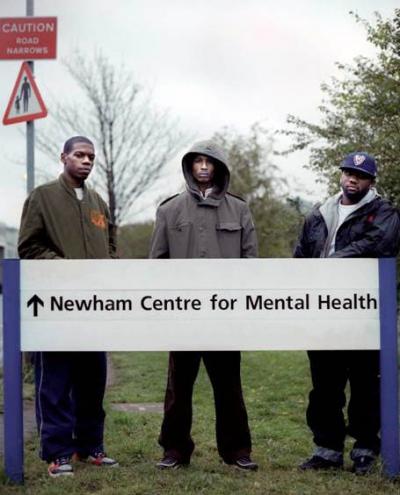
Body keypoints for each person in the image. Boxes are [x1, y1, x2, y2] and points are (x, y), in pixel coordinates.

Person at [150, 140, 258, 471]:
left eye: (209, 162)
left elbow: (251, 264)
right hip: (182, 318)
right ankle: (174, 450)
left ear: (219, 168)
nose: (203, 167)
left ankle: (237, 451)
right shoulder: (169, 210)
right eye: (197, 161)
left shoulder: (239, 209)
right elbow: (157, 264)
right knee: (178, 389)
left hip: (225, 318)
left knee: (229, 387)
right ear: (189, 167)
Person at [18, 136, 118, 478]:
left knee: (93, 381)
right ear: (64, 158)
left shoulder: (98, 202)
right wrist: (66, 269)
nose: (86, 161)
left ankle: (90, 447)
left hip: (94, 309)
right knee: (56, 384)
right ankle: (57, 453)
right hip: (56, 307)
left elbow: (111, 246)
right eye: (79, 155)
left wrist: (107, 273)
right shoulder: (42, 197)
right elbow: (29, 247)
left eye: (91, 156)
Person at [294, 152, 400, 475]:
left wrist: (334, 261)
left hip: (364, 312)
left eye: (361, 175)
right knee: (324, 385)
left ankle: (365, 449)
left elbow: (380, 244)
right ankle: (327, 450)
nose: (353, 179)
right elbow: (301, 256)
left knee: (365, 384)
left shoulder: (384, 212)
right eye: (348, 173)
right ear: (341, 175)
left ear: (371, 181)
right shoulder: (318, 214)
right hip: (323, 312)